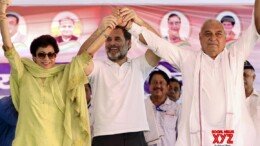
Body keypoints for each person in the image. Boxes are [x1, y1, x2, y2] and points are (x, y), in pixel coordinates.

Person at [125, 0, 260, 145]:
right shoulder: (188, 59)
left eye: (218, 34)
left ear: (225, 38)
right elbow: (157, 44)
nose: (213, 38)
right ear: (200, 38)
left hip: (234, 138)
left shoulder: (235, 55)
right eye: (208, 34)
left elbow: (256, 27)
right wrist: (132, 26)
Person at [0, 1, 102, 145]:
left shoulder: (64, 75)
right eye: (41, 55)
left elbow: (85, 56)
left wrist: (104, 30)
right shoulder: (24, 74)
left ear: (55, 56)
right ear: (34, 57)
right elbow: (9, 48)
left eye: (51, 54)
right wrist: (2, 12)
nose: (46, 59)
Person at [77, 8, 160, 146]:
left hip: (136, 136)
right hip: (104, 137)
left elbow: (159, 46)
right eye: (108, 39)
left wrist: (137, 22)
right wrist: (99, 31)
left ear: (129, 43)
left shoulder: (139, 66)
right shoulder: (98, 68)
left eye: (117, 38)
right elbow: (79, 62)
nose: (112, 43)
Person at [144, 70, 180, 146]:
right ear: (149, 86)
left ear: (167, 87)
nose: (158, 86)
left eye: (161, 83)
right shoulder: (141, 107)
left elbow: (181, 135)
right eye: (154, 82)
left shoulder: (176, 108)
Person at [243, 61, 260, 146]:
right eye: (240, 76)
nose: (242, 79)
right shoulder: (231, 100)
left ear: (254, 77)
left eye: (246, 75)